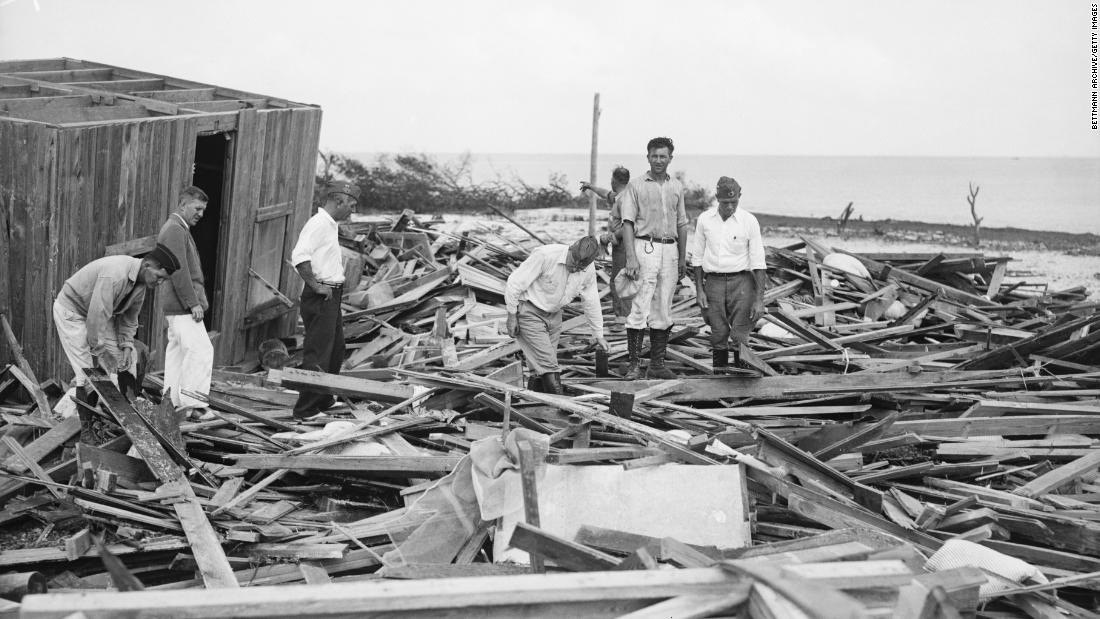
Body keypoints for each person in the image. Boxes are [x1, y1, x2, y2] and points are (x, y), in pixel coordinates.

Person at [53, 245, 179, 443]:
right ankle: (87, 430)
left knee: (127, 359)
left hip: (99, 313)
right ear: (147, 265)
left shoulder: (141, 284)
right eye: (159, 277)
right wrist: (101, 352)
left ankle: (126, 415)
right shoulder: (115, 275)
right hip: (73, 312)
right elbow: (96, 317)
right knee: (87, 372)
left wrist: (127, 345)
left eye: (164, 280)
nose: (160, 283)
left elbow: (130, 318)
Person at [620, 137, 691, 380]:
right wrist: (630, 257)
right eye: (654, 156)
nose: (659, 160)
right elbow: (627, 222)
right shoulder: (636, 185)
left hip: (670, 250)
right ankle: (633, 366)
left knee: (663, 307)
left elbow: (682, 223)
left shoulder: (677, 187)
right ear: (647, 157)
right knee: (640, 305)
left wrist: (682, 257)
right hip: (644, 247)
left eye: (663, 156)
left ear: (670, 158)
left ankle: (657, 364)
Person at [504, 236, 610, 394]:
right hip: (530, 312)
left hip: (554, 315)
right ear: (570, 249)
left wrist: (598, 334)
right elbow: (514, 283)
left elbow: (591, 300)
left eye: (581, 267)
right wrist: (512, 315)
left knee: (539, 368)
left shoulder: (588, 269)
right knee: (548, 364)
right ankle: (560, 405)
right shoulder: (545, 255)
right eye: (574, 263)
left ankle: (536, 409)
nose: (575, 269)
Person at [290, 181, 358, 420]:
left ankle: (323, 399)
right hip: (322, 294)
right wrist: (316, 285)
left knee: (336, 348)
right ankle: (305, 409)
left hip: (332, 294)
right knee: (318, 352)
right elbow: (299, 256)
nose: (353, 210)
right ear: (338, 201)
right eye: (351, 204)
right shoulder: (318, 224)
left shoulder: (330, 225)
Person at [689, 176, 767, 371]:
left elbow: (758, 261)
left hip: (742, 283)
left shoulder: (749, 221)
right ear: (717, 198)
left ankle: (742, 376)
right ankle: (720, 375)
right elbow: (697, 258)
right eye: (725, 203)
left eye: (734, 202)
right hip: (713, 282)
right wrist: (699, 290)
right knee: (718, 333)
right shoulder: (705, 220)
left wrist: (759, 299)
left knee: (740, 334)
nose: (730, 206)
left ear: (740, 197)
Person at [158, 186, 214, 418]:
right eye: (197, 208)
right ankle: (194, 405)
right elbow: (178, 270)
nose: (200, 214)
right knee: (201, 350)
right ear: (183, 205)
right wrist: (193, 303)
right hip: (182, 306)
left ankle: (171, 401)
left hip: (176, 304)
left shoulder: (178, 228)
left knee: (178, 353)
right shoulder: (175, 230)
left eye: (203, 210)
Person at [580, 166, 631, 330]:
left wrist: (612, 237)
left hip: (625, 245)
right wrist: (591, 186)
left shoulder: (626, 201)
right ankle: (623, 318)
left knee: (621, 281)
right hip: (619, 246)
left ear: (614, 180)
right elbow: (606, 194)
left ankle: (623, 321)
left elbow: (630, 226)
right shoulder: (619, 196)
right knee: (618, 280)